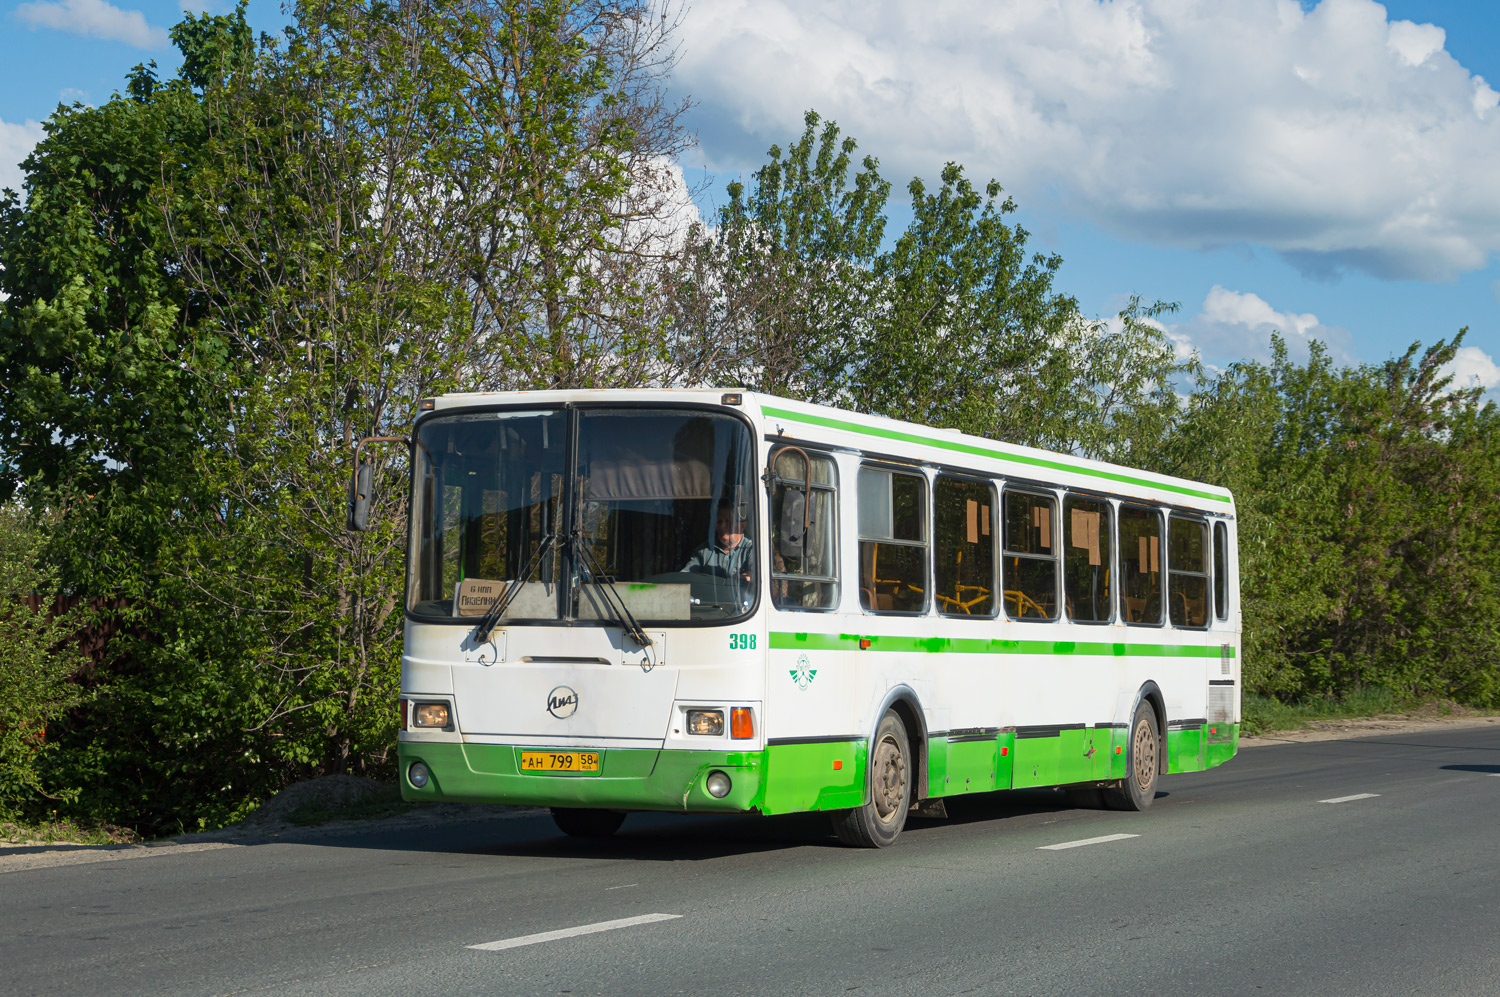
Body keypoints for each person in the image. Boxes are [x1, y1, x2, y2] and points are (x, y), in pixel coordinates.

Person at [683, 503, 754, 594]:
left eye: (728, 522)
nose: (722, 526)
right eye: (719, 522)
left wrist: (746, 577)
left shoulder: (752, 550)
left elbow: (758, 577)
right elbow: (686, 577)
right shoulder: (703, 551)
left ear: (742, 526)